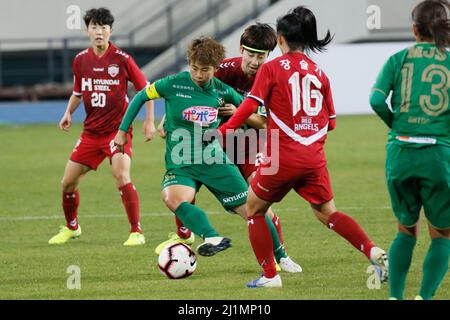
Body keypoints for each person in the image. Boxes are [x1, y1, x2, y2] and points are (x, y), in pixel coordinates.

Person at [219, 6, 389, 288]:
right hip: (314, 157)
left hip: (284, 155)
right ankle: (374, 252)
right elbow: (331, 122)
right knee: (328, 213)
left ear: (281, 40)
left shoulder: (271, 68)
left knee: (255, 210)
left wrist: (226, 129)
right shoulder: (319, 73)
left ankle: (270, 277)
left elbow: (249, 104)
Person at [154, 24, 302, 273]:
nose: (255, 61)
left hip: (248, 144)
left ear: (269, 55)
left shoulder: (274, 79)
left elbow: (266, 123)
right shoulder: (220, 69)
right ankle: (184, 235)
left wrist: (240, 113)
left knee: (259, 203)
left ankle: (281, 256)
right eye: (251, 54)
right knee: (183, 191)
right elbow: (188, 90)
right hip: (210, 142)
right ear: (242, 49)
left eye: (261, 56)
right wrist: (166, 120)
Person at [114, 37, 252, 257]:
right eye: (194, 68)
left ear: (216, 69)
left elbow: (252, 114)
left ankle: (280, 257)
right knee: (172, 198)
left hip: (214, 160)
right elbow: (141, 95)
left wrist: (237, 113)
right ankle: (211, 236)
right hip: (181, 163)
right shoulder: (173, 83)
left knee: (254, 211)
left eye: (204, 70)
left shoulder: (224, 91)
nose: (198, 74)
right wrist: (122, 131)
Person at [48, 8, 156, 246]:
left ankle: (136, 232)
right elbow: (78, 91)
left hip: (118, 131)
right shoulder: (80, 60)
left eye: (104, 28)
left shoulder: (122, 59)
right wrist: (68, 112)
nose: (99, 32)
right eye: (94, 27)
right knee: (67, 183)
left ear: (110, 31)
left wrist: (149, 121)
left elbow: (146, 90)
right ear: (87, 30)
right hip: (91, 133)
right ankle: (71, 227)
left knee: (121, 174)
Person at [370, 0, 450, 300]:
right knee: (442, 233)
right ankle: (424, 298)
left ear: (414, 29)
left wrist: (398, 126)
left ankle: (396, 297)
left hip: (401, 152)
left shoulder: (399, 58)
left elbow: (377, 101)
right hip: (437, 155)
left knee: (406, 228)